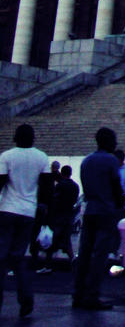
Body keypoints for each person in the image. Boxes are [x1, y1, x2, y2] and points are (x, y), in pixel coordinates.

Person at [0, 122, 52, 319]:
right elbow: (47, 187)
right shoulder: (41, 157)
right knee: (19, 258)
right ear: (33, 138)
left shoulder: (7, 156)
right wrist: (45, 210)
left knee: (1, 258)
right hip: (28, 212)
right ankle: (26, 299)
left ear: (15, 138)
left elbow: (1, 182)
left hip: (6, 210)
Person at [73, 126, 124, 310]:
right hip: (106, 210)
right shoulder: (110, 161)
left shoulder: (86, 161)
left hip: (90, 210)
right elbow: (116, 187)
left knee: (84, 254)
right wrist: (120, 206)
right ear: (108, 142)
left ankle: (78, 294)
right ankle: (92, 295)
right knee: (99, 255)